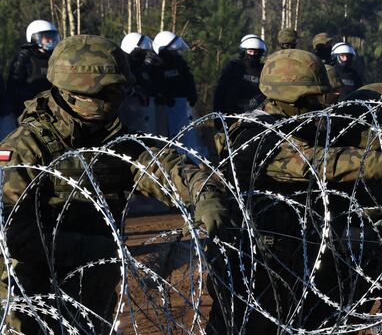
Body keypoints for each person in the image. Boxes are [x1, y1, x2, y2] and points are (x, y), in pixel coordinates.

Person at [208, 49, 382, 333]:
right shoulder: (260, 134)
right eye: (317, 97)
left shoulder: (296, 124)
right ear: (293, 97)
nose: (324, 105)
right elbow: (318, 162)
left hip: (285, 254)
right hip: (253, 260)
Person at [0, 35, 226, 334]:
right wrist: (99, 250)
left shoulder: (114, 140)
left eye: (121, 90)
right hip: (31, 294)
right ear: (73, 93)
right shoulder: (26, 148)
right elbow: (13, 232)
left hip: (92, 291)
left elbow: (163, 167)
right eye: (108, 92)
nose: (117, 99)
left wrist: (204, 194)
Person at [151, 31, 202, 154]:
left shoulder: (179, 62)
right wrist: (162, 95)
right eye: (173, 50)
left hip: (183, 105)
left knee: (186, 133)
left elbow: (188, 78)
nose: (176, 52)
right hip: (164, 109)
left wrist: (192, 93)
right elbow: (153, 84)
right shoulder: (155, 64)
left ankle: (191, 156)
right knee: (167, 135)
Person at [6, 20, 61, 118]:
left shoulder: (55, 57)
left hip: (52, 109)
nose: (50, 41)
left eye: (53, 37)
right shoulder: (25, 57)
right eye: (46, 38)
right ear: (34, 38)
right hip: (28, 110)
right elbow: (13, 87)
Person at [212, 34, 266, 115]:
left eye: (256, 52)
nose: (253, 54)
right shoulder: (233, 66)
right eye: (250, 51)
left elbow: (268, 91)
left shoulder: (264, 70)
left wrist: (259, 99)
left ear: (260, 53)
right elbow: (220, 91)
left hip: (255, 115)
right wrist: (217, 114)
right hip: (230, 113)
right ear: (243, 51)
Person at [118, 32, 157, 133]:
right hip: (127, 114)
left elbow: (149, 85)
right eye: (142, 52)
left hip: (144, 115)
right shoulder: (122, 66)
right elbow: (121, 87)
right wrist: (135, 91)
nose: (145, 55)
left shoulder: (141, 66)